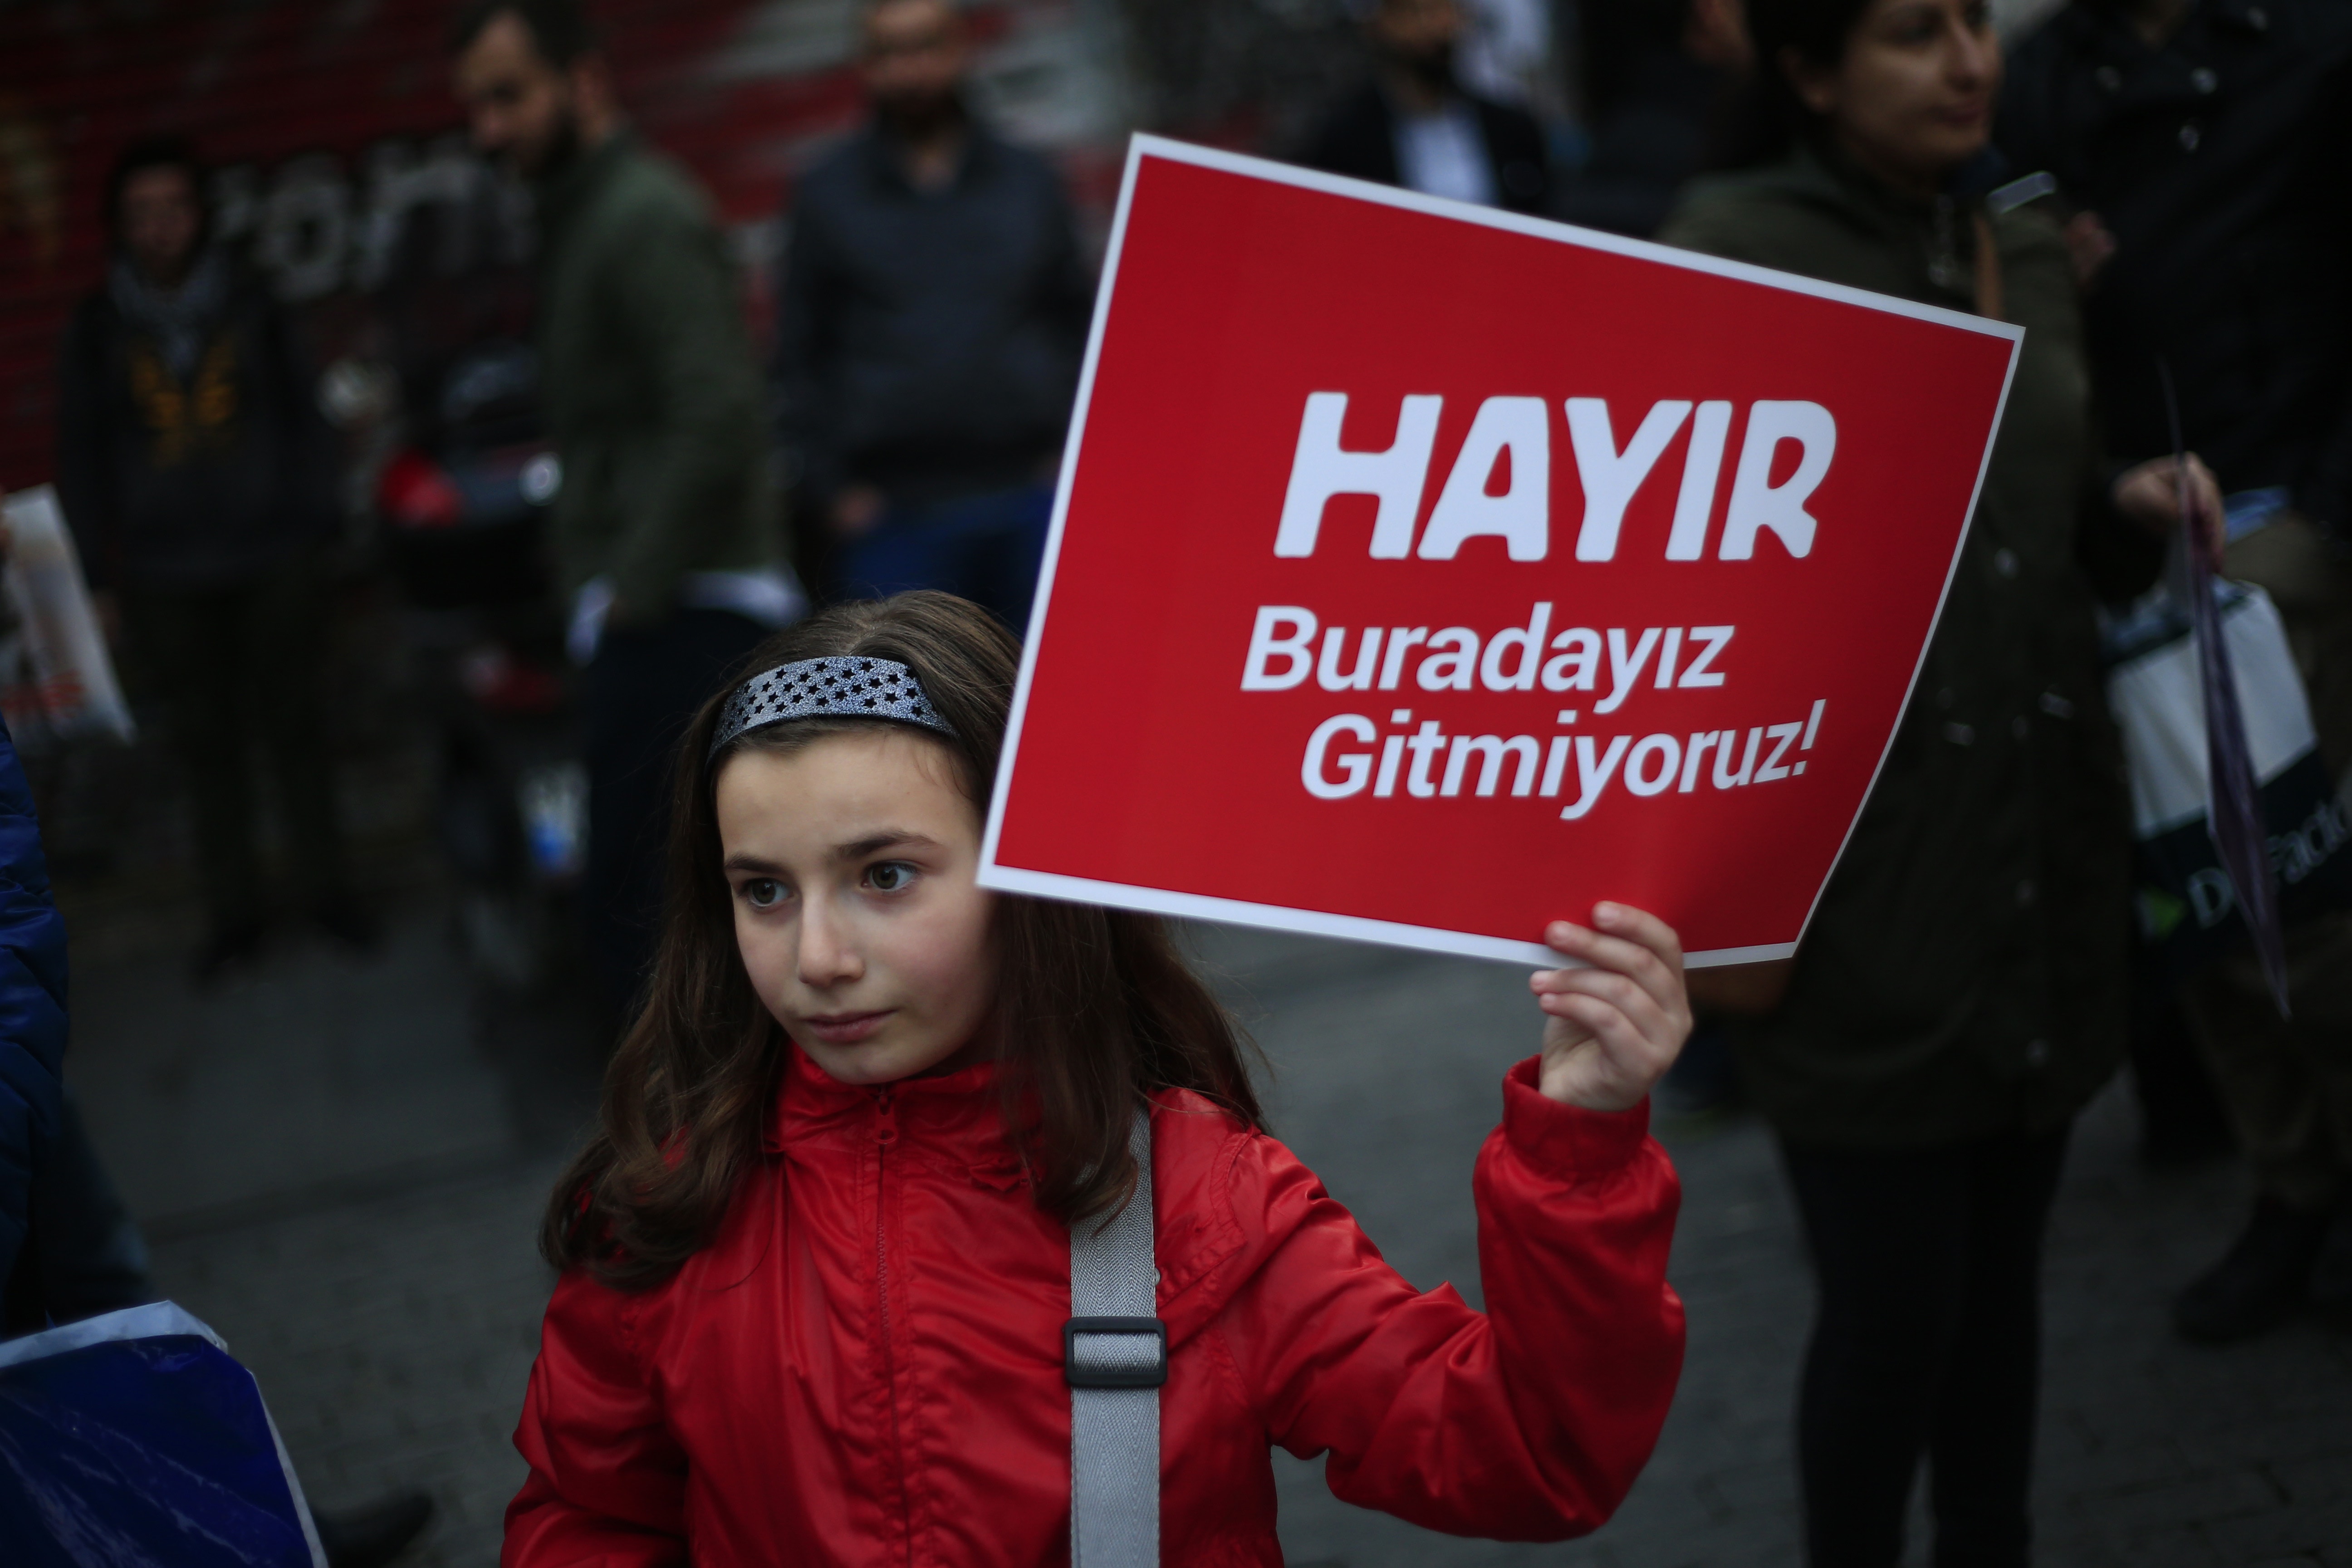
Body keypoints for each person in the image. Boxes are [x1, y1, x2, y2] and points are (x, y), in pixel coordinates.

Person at [500, 591, 1692, 1561]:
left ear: (1031, 878)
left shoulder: (1200, 1201)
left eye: (886, 876)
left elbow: (1530, 1456)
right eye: (764, 889)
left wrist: (1578, 1148)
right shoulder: (673, 1201)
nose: (817, 957)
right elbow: (589, 1517)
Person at [1658, 1, 2217, 1563]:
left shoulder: (2017, 236)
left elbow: (2043, 520)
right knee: (1892, 1319)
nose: (1966, 60)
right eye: (1911, 32)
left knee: (2000, 1299)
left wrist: (2126, 497)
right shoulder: (1731, 249)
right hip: (1852, 883)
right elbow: (1662, 571)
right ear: (1808, 67)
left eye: (1974, 21)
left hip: (2037, 850)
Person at [1997, 0, 2352, 1345]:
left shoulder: (2312, 50)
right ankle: (2293, 1188)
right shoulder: (2034, 88)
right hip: (2144, 544)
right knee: (2208, 919)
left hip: (2287, 530)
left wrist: (2326, 509)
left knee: (2307, 910)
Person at [452, 0, 801, 1013]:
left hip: (690, 608)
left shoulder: (640, 215)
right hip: (657, 601)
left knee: (647, 924)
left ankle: (697, 1147)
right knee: (654, 918)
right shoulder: (578, 212)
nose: (488, 129)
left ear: (588, 82)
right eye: (475, 104)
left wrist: (629, 591)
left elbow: (719, 413)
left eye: (509, 96)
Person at [54, 136, 368, 984]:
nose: (160, 229)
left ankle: (329, 895)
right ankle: (235, 916)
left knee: (299, 729)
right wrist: (94, 580)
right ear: (119, 227)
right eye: (141, 215)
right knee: (205, 747)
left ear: (202, 215)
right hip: (164, 574)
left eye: (174, 209)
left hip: (273, 556)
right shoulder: (98, 329)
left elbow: (308, 420)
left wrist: (315, 524)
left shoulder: (254, 303)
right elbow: (83, 457)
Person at [773, 0, 1093, 633]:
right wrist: (831, 491)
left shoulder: (1027, 180)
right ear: (863, 65)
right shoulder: (828, 194)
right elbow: (799, 351)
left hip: (1033, 496)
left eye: (923, 47)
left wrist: (1075, 460)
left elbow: (1079, 324)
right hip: (894, 514)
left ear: (960, 48)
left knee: (1055, 703)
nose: (908, 71)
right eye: (887, 53)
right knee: (911, 715)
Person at [1302, 0, 1552, 213]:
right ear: (1379, 23)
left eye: (1446, 9)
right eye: (1417, 12)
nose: (1436, 26)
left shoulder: (1512, 129)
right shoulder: (1347, 139)